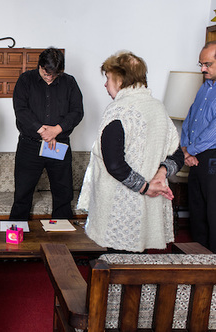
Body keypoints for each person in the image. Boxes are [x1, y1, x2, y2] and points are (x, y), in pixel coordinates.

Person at [78, 51, 183, 252]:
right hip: (148, 208)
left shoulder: (119, 111)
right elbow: (177, 154)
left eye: (108, 78)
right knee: (138, 263)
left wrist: (145, 187)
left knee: (117, 261)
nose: (105, 84)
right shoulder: (158, 108)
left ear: (119, 79)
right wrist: (161, 175)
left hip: (121, 207)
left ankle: (113, 285)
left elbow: (114, 163)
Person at [9, 47, 83, 221]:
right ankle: (16, 235)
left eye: (54, 74)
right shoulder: (25, 80)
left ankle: (62, 237)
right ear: (40, 66)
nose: (50, 77)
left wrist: (56, 130)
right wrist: (43, 131)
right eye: (46, 73)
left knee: (63, 193)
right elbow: (21, 111)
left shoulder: (69, 82)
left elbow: (77, 112)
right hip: (30, 145)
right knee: (23, 192)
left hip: (59, 144)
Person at [181, 41, 216, 253]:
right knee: (197, 211)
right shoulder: (205, 87)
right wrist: (185, 149)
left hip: (211, 156)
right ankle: (198, 261)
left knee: (213, 214)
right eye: (201, 64)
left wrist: (190, 151)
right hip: (195, 157)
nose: (203, 69)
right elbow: (189, 119)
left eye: (208, 64)